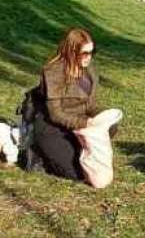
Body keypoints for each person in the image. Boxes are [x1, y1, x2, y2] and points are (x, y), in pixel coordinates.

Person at [32, 28, 103, 182]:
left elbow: (90, 105)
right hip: (51, 126)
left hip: (77, 124)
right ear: (72, 51)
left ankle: (76, 148)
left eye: (92, 52)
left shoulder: (89, 71)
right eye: (85, 53)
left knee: (109, 128)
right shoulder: (53, 72)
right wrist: (85, 122)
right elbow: (55, 114)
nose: (89, 57)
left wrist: (102, 116)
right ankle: (38, 153)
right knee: (77, 174)